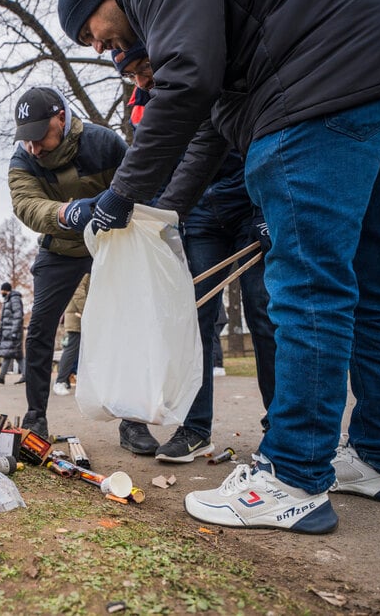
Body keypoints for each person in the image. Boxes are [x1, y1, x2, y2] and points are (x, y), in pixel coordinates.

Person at [59, 0, 380, 533]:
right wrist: (158, 216)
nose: (98, 47)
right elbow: (209, 136)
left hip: (317, 80)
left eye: (88, 31)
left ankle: (292, 476)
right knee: (371, 279)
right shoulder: (215, 28)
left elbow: (187, 81)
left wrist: (118, 197)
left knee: (307, 287)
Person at [111, 43, 278, 463]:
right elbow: (155, 164)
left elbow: (256, 131)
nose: (141, 80)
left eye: (144, 68)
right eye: (132, 75)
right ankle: (196, 428)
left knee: (263, 309)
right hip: (198, 211)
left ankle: (281, 425)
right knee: (195, 317)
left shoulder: (204, 71)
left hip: (246, 197)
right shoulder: (143, 103)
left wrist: (265, 207)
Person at [6, 86, 159, 453]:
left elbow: (138, 183)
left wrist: (118, 207)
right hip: (60, 247)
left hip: (110, 245)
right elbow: (26, 204)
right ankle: (35, 416)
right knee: (41, 327)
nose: (34, 147)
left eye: (40, 136)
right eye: (26, 138)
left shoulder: (103, 143)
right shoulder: (23, 159)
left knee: (127, 325)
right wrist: (64, 212)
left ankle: (133, 422)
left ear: (61, 117)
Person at [53, 273, 88, 397]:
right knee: (71, 350)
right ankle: (60, 381)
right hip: (77, 316)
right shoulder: (86, 271)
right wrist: (88, 311)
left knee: (78, 351)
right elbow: (78, 292)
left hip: (78, 316)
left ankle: (65, 380)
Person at [0, 282, 25, 385]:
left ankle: (25, 376)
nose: (1, 292)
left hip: (12, 333)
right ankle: (2, 377)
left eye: (2, 290)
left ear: (5, 290)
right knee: (11, 355)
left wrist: (14, 332)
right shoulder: (9, 299)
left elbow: (18, 315)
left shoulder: (14, 299)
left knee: (16, 356)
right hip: (8, 332)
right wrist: (0, 332)